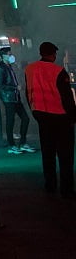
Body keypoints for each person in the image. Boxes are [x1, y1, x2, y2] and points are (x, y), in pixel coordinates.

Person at [25, 41, 76, 197]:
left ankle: (50, 185)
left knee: (48, 153)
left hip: (41, 115)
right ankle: (66, 189)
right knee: (65, 155)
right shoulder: (59, 71)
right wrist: (73, 116)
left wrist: (34, 111)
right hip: (61, 117)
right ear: (53, 54)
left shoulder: (29, 69)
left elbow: (28, 91)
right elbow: (67, 98)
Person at [0, 46, 35, 154]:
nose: (11, 56)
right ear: (3, 56)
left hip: (15, 97)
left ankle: (22, 143)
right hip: (8, 99)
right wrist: (14, 88)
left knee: (25, 119)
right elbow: (0, 85)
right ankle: (11, 145)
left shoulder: (10, 67)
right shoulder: (1, 68)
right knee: (10, 121)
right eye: (9, 54)